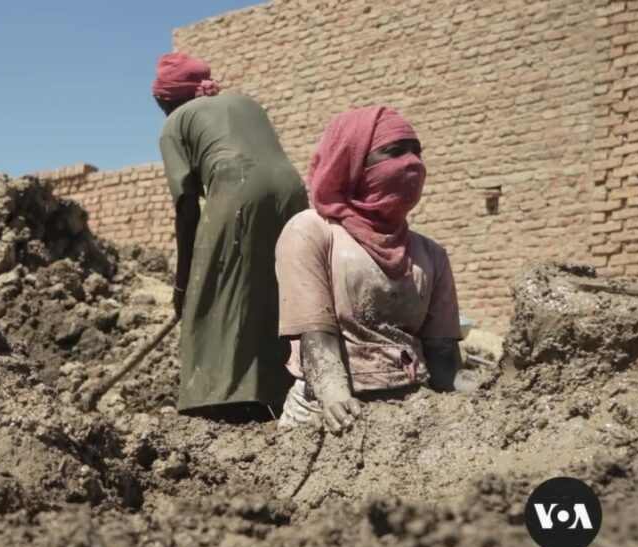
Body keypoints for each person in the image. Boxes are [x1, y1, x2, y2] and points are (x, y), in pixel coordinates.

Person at [275, 106, 463, 434]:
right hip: (327, 416)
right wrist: (335, 396)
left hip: (413, 413)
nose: (412, 163)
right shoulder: (311, 231)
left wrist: (464, 405)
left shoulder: (431, 254)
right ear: (352, 162)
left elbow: (443, 353)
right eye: (393, 152)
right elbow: (315, 332)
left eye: (417, 152)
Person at [153, 53, 307, 421]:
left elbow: (187, 207)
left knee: (211, 295)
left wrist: (183, 285)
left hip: (238, 185)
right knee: (275, 289)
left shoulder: (175, 122)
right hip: (294, 191)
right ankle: (284, 390)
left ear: (164, 99)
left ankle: (216, 403)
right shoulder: (245, 103)